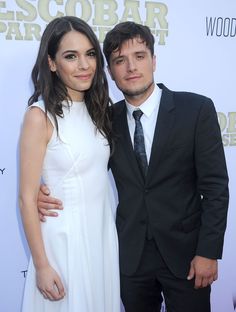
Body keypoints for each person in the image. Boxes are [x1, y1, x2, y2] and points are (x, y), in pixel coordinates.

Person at [38, 22, 229, 312]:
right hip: (129, 259)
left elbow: (216, 188)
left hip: (187, 257)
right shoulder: (103, 119)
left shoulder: (196, 110)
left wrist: (208, 252)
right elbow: (82, 168)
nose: (131, 67)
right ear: (110, 71)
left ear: (153, 60)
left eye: (139, 56)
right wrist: (44, 192)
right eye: (119, 61)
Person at [19, 16, 120, 312]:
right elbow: (26, 198)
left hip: (101, 238)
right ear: (51, 63)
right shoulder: (39, 116)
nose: (84, 65)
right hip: (63, 243)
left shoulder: (101, 110)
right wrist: (41, 266)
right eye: (70, 56)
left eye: (90, 54)